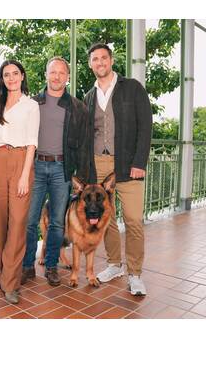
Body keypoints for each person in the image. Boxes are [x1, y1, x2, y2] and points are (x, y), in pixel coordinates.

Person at [84, 43, 152, 296]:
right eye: (95, 59)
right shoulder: (89, 96)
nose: (100, 62)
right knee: (106, 218)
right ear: (90, 64)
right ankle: (114, 264)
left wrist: (139, 162)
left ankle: (135, 273)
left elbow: (145, 126)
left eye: (104, 58)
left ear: (111, 60)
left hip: (127, 163)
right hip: (98, 163)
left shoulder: (132, 88)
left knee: (133, 220)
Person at [21, 57, 90, 287]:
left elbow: (84, 144)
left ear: (67, 77)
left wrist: (82, 178)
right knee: (30, 220)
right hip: (36, 167)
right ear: (46, 75)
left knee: (57, 223)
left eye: (61, 73)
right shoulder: (32, 103)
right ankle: (27, 266)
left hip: (62, 169)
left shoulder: (77, 107)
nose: (57, 76)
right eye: (53, 72)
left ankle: (51, 266)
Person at [0, 60, 40, 304]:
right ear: (2, 78)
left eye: (15, 73)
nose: (11, 78)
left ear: (22, 76)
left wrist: (25, 175)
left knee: (17, 223)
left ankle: (10, 282)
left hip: (20, 161)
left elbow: (32, 142)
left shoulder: (31, 105)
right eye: (6, 74)